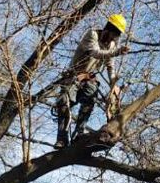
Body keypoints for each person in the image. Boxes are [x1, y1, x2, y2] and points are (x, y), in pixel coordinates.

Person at [55, 13, 130, 148]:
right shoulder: (92, 34)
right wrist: (116, 52)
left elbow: (110, 66)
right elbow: (95, 53)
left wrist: (113, 84)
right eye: (113, 33)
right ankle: (62, 138)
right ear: (108, 28)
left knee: (89, 102)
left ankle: (78, 134)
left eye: (116, 35)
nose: (113, 38)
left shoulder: (111, 45)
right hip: (73, 76)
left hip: (89, 79)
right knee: (63, 103)